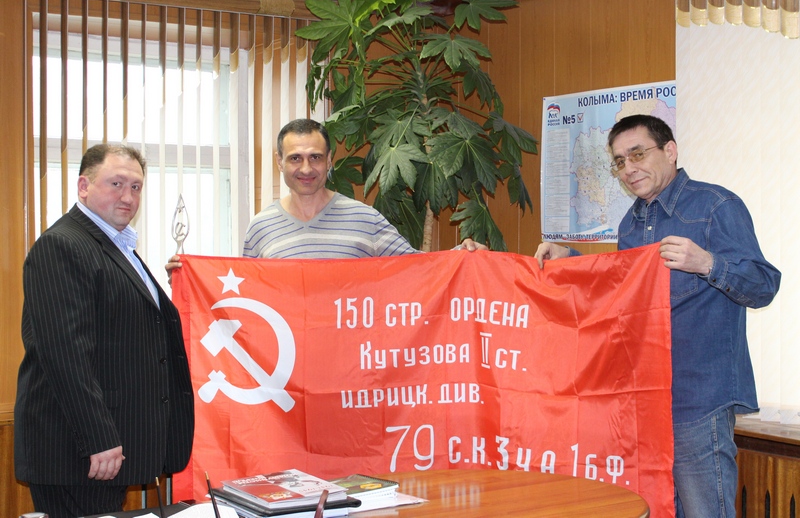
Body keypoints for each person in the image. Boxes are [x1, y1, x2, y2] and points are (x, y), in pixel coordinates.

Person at [535, 114, 780, 518]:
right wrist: (568, 259)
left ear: (670, 151)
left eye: (637, 154)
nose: (628, 168)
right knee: (660, 510)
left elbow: (764, 284)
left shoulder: (715, 205)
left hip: (699, 398)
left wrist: (707, 263)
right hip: (645, 399)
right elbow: (620, 290)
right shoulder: (630, 223)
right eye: (619, 161)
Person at [15, 144, 195, 518]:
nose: (128, 197)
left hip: (106, 449)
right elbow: (65, 355)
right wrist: (98, 438)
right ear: (84, 186)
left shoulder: (117, 245)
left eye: (136, 187)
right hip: (78, 453)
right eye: (116, 184)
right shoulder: (63, 245)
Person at [166, 118, 483, 275]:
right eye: (295, 158)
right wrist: (187, 278)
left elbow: (419, 269)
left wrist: (464, 255)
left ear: (330, 160)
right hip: (286, 368)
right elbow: (243, 296)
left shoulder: (366, 219)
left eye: (315, 157)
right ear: (279, 162)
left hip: (351, 367)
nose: (306, 168)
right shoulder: (260, 228)